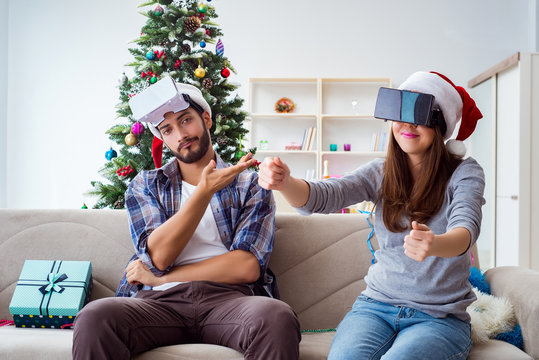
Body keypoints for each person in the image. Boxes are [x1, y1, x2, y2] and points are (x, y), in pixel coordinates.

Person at [258, 71, 485, 360]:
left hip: (438, 317)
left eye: (421, 115)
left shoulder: (465, 172)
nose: (407, 124)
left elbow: (466, 228)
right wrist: (285, 183)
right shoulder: (379, 172)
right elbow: (325, 195)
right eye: (400, 112)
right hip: (376, 306)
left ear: (441, 125)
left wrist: (435, 244)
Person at [73, 77, 300, 360]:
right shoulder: (146, 185)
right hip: (157, 304)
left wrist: (161, 279)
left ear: (206, 118)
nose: (180, 134)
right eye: (167, 129)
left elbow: (247, 267)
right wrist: (204, 193)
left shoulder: (249, 185)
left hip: (229, 301)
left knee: (276, 316)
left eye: (186, 120)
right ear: (161, 137)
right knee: (95, 317)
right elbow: (158, 257)